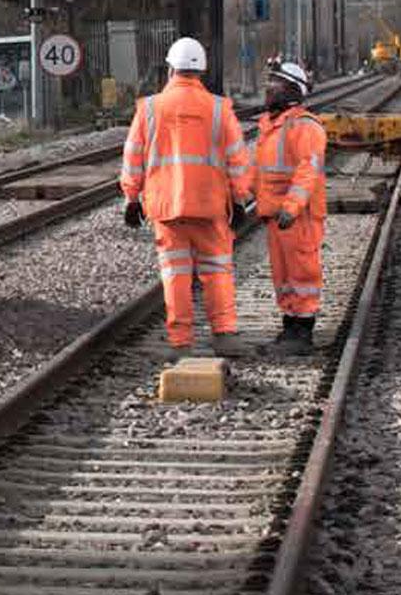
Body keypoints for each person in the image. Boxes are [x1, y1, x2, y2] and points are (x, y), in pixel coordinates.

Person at [120, 37, 250, 363]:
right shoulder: (219, 109)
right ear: (201, 71)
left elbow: (133, 157)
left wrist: (131, 198)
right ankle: (224, 335)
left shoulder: (150, 108)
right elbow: (238, 159)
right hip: (210, 206)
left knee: (175, 274)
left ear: (169, 69)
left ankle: (181, 342)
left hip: (166, 208)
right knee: (217, 270)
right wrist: (239, 198)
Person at [251, 57, 326, 354]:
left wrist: (292, 207)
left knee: (302, 272)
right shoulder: (271, 127)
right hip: (277, 215)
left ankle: (302, 333)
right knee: (283, 275)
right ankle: (290, 327)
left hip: (298, 216)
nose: (269, 90)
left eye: (276, 84)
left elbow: (308, 171)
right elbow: (260, 171)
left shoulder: (305, 127)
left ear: (292, 90)